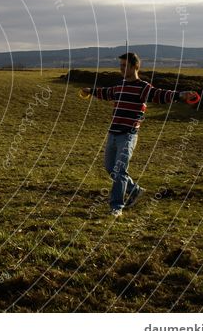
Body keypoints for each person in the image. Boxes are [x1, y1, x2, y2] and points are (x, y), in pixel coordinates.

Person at [81, 52, 197, 217]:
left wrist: (180, 95)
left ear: (135, 66)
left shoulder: (143, 87)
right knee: (110, 168)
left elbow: (160, 95)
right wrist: (90, 91)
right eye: (120, 65)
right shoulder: (120, 86)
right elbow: (106, 93)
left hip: (127, 135)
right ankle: (135, 190)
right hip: (112, 134)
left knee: (119, 171)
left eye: (125, 66)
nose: (121, 69)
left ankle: (116, 207)